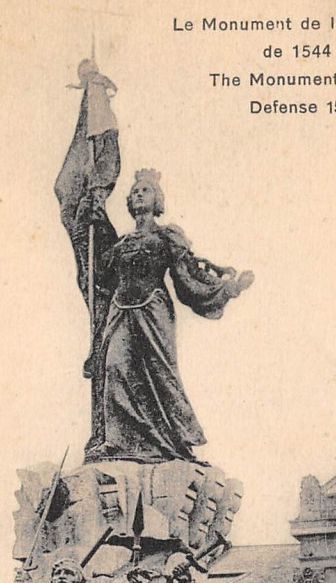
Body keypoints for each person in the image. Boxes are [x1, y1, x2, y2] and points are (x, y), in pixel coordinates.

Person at [87, 169, 254, 463]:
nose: (138, 194)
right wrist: (95, 221)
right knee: (114, 367)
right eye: (135, 191)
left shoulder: (166, 236)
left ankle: (173, 442)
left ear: (157, 200)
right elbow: (101, 277)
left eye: (145, 190)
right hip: (121, 312)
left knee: (160, 376)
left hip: (153, 313)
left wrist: (228, 288)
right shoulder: (122, 243)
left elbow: (187, 278)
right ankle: (117, 441)